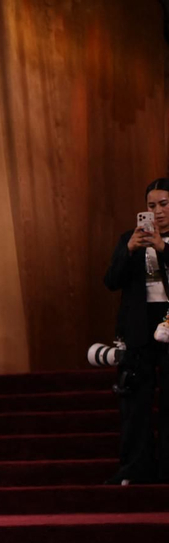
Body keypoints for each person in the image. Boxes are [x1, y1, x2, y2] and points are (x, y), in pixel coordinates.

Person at [104, 178, 169, 484]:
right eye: (151, 206)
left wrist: (163, 248)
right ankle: (136, 469)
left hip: (168, 325)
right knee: (136, 403)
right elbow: (111, 281)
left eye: (164, 204)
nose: (157, 212)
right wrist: (128, 251)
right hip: (140, 330)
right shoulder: (128, 240)